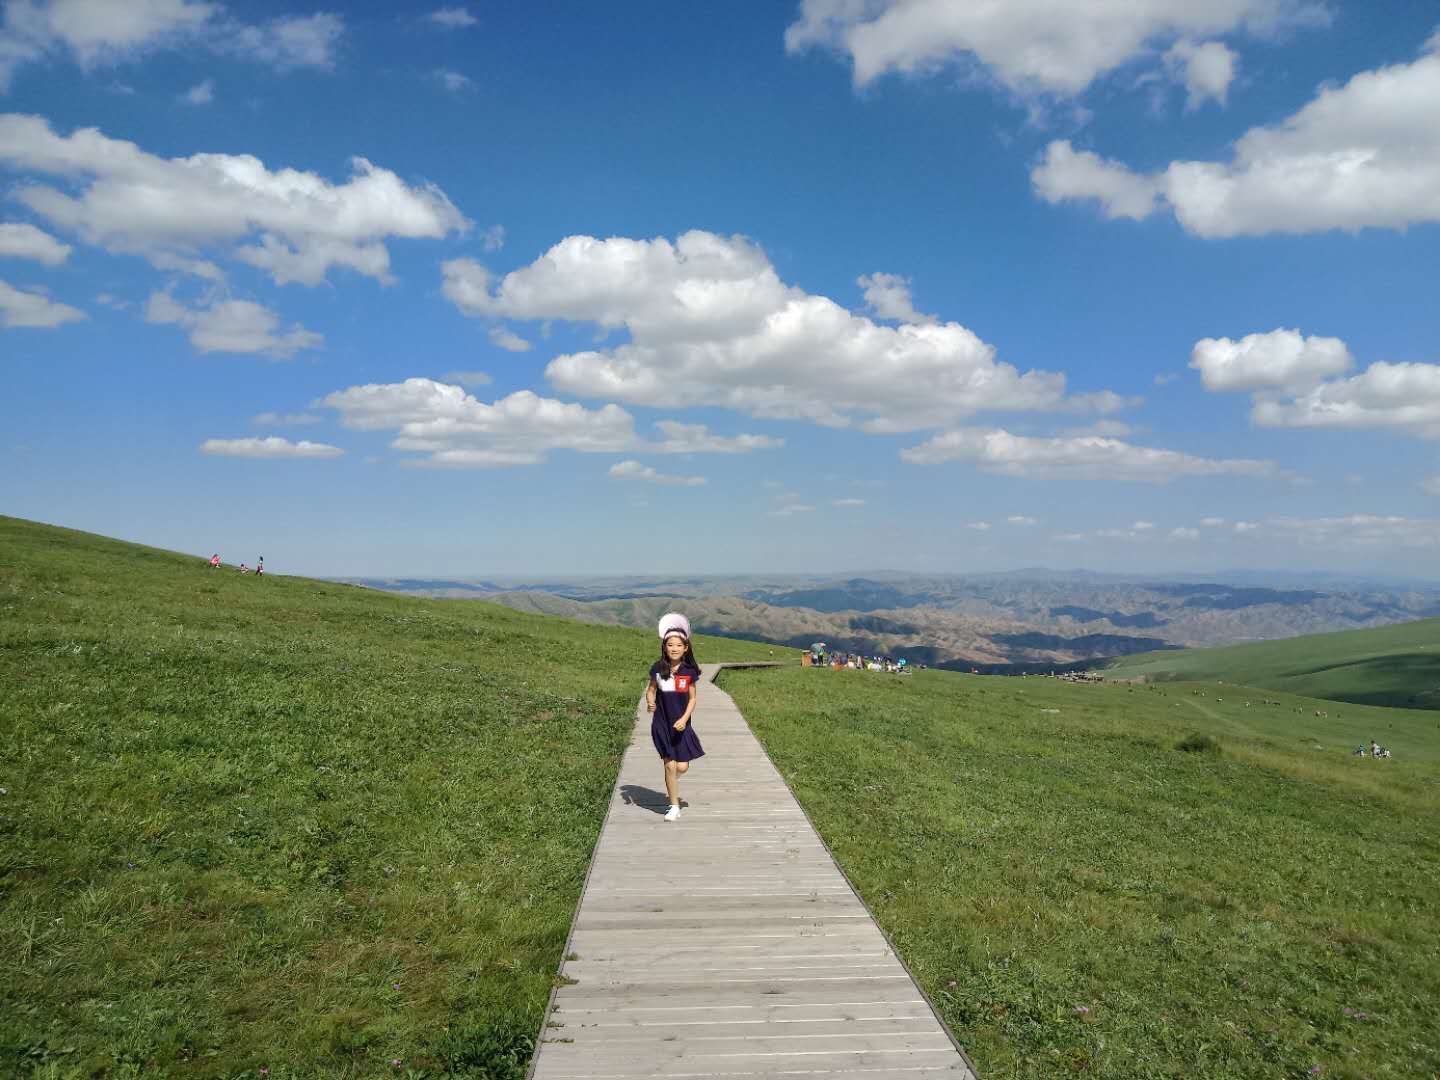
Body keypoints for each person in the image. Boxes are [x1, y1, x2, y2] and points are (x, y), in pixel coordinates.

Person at [646, 612, 704, 821]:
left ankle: (673, 778)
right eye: (670, 645)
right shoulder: (658, 668)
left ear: (685, 648)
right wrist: (650, 701)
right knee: (670, 765)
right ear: (664, 647)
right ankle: (674, 806)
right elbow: (651, 689)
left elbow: (692, 699)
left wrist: (684, 718)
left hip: (681, 726)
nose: (674, 648)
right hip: (661, 724)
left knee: (682, 766)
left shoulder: (689, 672)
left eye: (678, 645)